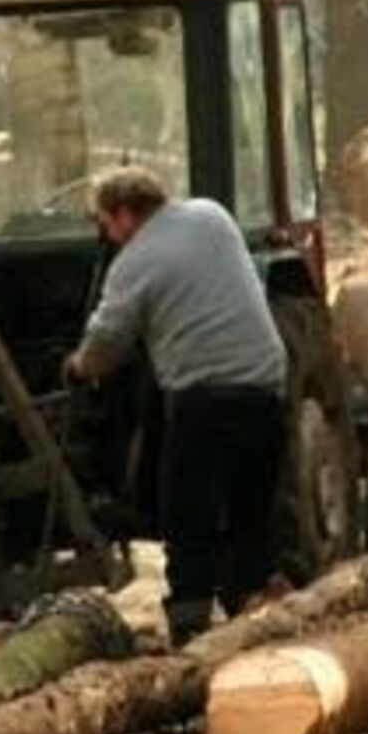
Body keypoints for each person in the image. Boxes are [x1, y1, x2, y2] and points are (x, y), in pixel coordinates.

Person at [64, 166, 287, 646]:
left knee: (188, 518)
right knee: (251, 514)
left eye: (105, 223)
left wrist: (78, 367)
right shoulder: (212, 216)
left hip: (204, 400)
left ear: (125, 215)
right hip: (265, 389)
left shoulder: (133, 263)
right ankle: (255, 612)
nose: (107, 235)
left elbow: (107, 341)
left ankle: (190, 628)